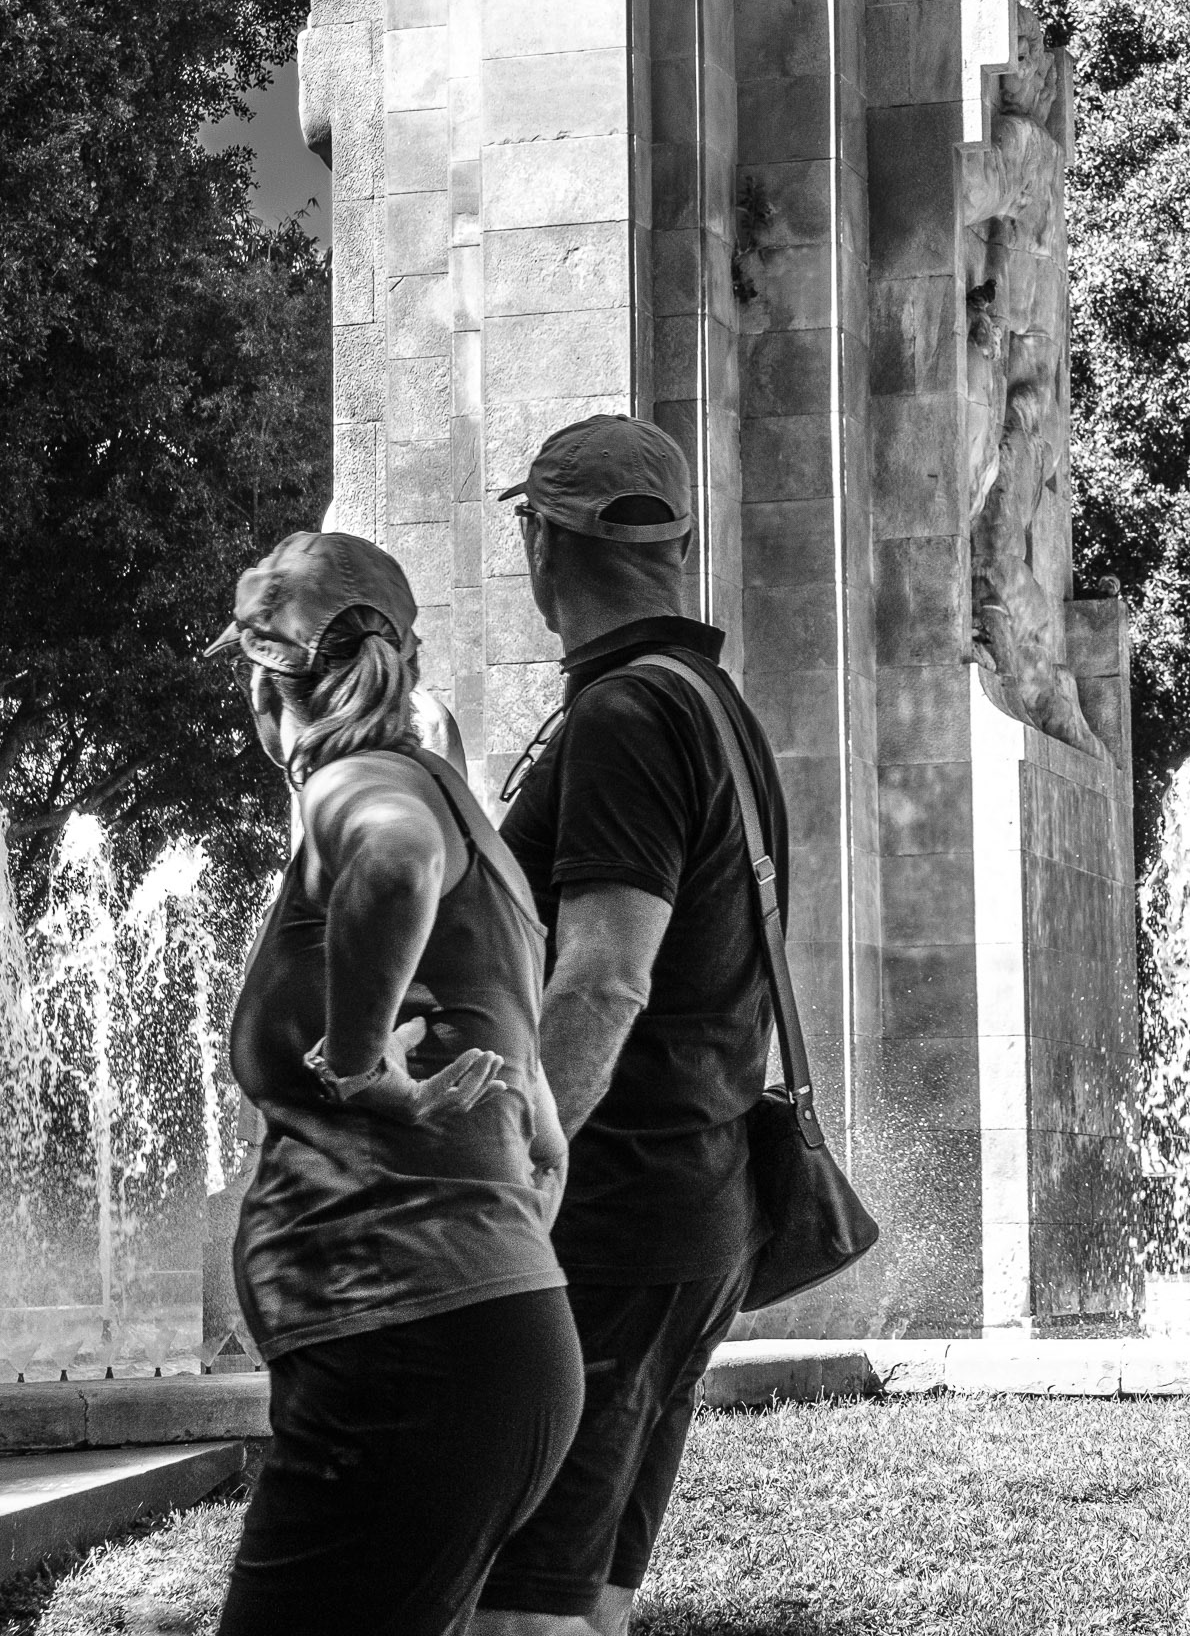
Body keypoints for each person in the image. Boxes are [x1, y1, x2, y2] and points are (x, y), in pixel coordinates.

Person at [207, 530, 583, 1636]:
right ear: (404, 657)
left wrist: (358, 1061)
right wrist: (542, 1121)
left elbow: (393, 862)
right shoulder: (467, 813)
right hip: (463, 1340)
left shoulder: (358, 785)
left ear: (268, 685)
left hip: (406, 1349)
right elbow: (508, 1020)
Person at [473, 418, 789, 1636]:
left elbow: (604, 980)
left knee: (520, 1613)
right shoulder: (711, 703)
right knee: (586, 1600)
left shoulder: (623, 719)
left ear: (545, 542)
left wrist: (512, 1179)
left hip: (606, 1222)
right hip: (690, 1215)